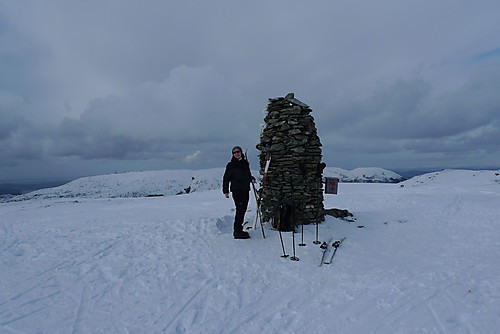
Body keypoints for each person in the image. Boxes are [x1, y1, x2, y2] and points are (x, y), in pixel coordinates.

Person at [223, 146, 255, 239]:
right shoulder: (231, 165)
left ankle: (239, 230)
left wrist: (251, 178)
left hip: (245, 190)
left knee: (243, 209)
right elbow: (226, 178)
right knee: (240, 210)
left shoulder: (245, 163)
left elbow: (247, 174)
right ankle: (237, 232)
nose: (236, 154)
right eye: (234, 152)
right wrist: (226, 190)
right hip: (237, 191)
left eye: (238, 152)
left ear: (241, 152)